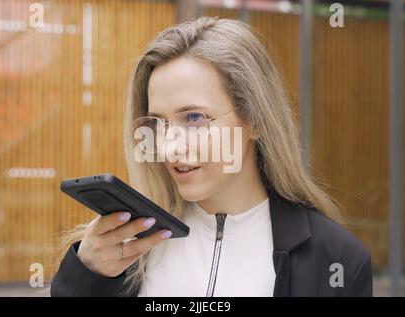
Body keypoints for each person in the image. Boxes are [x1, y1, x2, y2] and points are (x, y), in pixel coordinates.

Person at [51, 17, 372, 297]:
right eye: (158, 124)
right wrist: (86, 278)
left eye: (193, 118)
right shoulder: (127, 247)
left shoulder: (337, 261)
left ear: (256, 120)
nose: (169, 147)